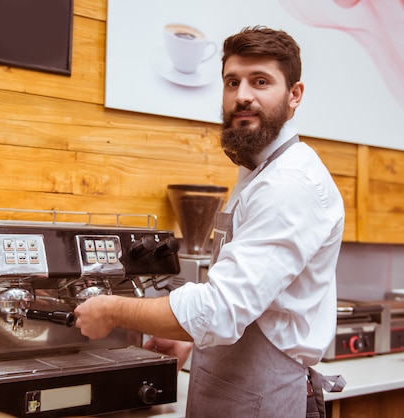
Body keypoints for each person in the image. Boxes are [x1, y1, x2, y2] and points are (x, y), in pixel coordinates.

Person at [74, 26, 345, 417]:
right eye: (232, 81)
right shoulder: (261, 171)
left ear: (294, 95)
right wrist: (194, 341)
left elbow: (220, 310)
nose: (242, 96)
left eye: (261, 81)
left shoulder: (289, 185)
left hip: (263, 399)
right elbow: (247, 299)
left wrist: (110, 309)